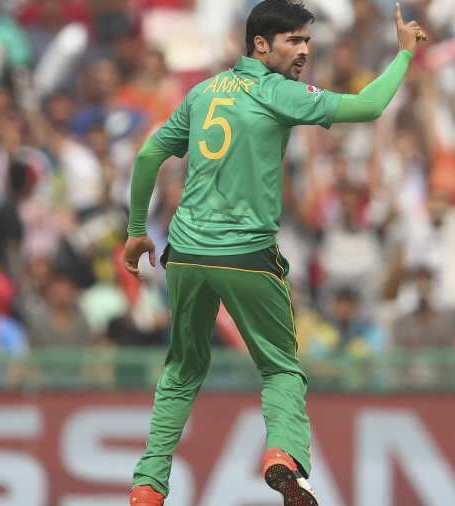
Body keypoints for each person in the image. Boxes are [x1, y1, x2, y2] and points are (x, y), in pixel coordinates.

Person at [120, 1, 428, 504]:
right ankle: (283, 456)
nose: (304, 51)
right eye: (293, 40)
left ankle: (148, 487)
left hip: (187, 254)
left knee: (181, 371)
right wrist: (404, 55)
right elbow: (369, 107)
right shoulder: (278, 92)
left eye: (307, 41)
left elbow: (150, 153)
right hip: (246, 256)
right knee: (281, 367)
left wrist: (136, 230)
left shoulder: (202, 92)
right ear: (260, 45)